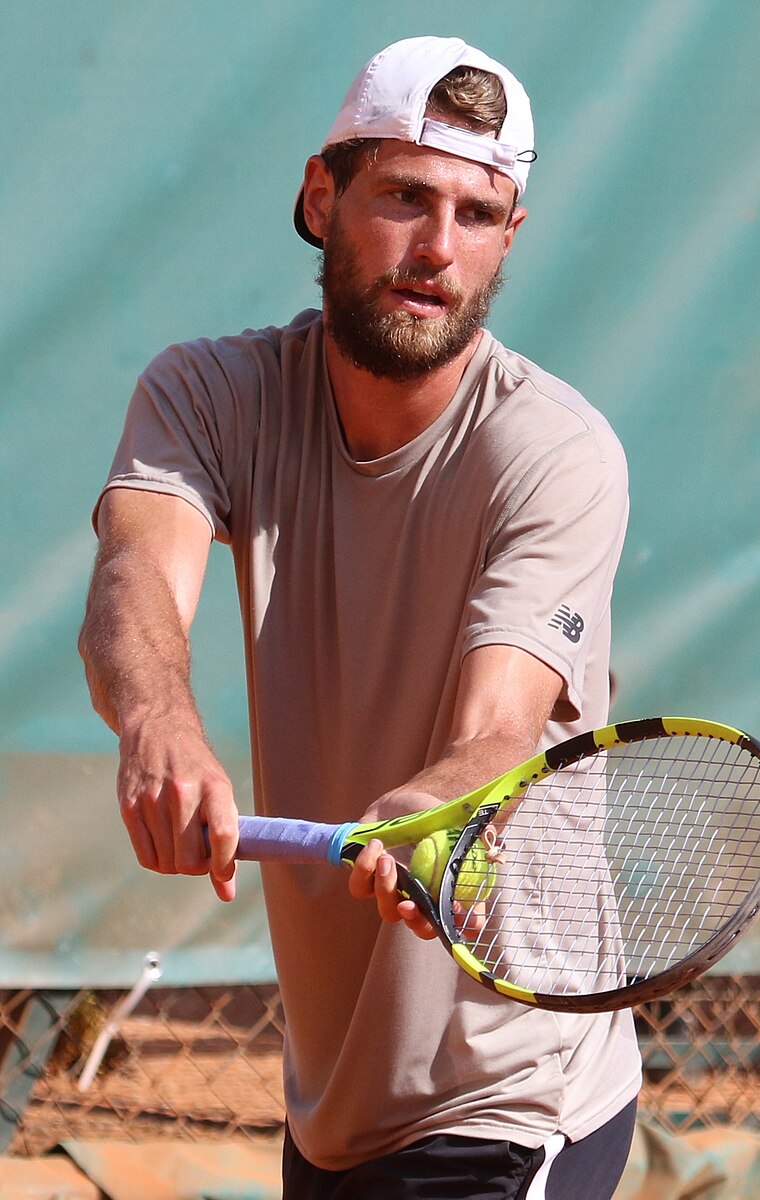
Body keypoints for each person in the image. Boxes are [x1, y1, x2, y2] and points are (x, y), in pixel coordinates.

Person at [79, 35, 641, 1200]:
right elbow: (137, 572)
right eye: (403, 197)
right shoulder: (208, 395)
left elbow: (498, 730)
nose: (438, 249)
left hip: (507, 1089)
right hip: (334, 1102)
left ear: (509, 240)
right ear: (320, 195)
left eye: (478, 214)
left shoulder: (553, 452)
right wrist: (160, 726)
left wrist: (436, 802)